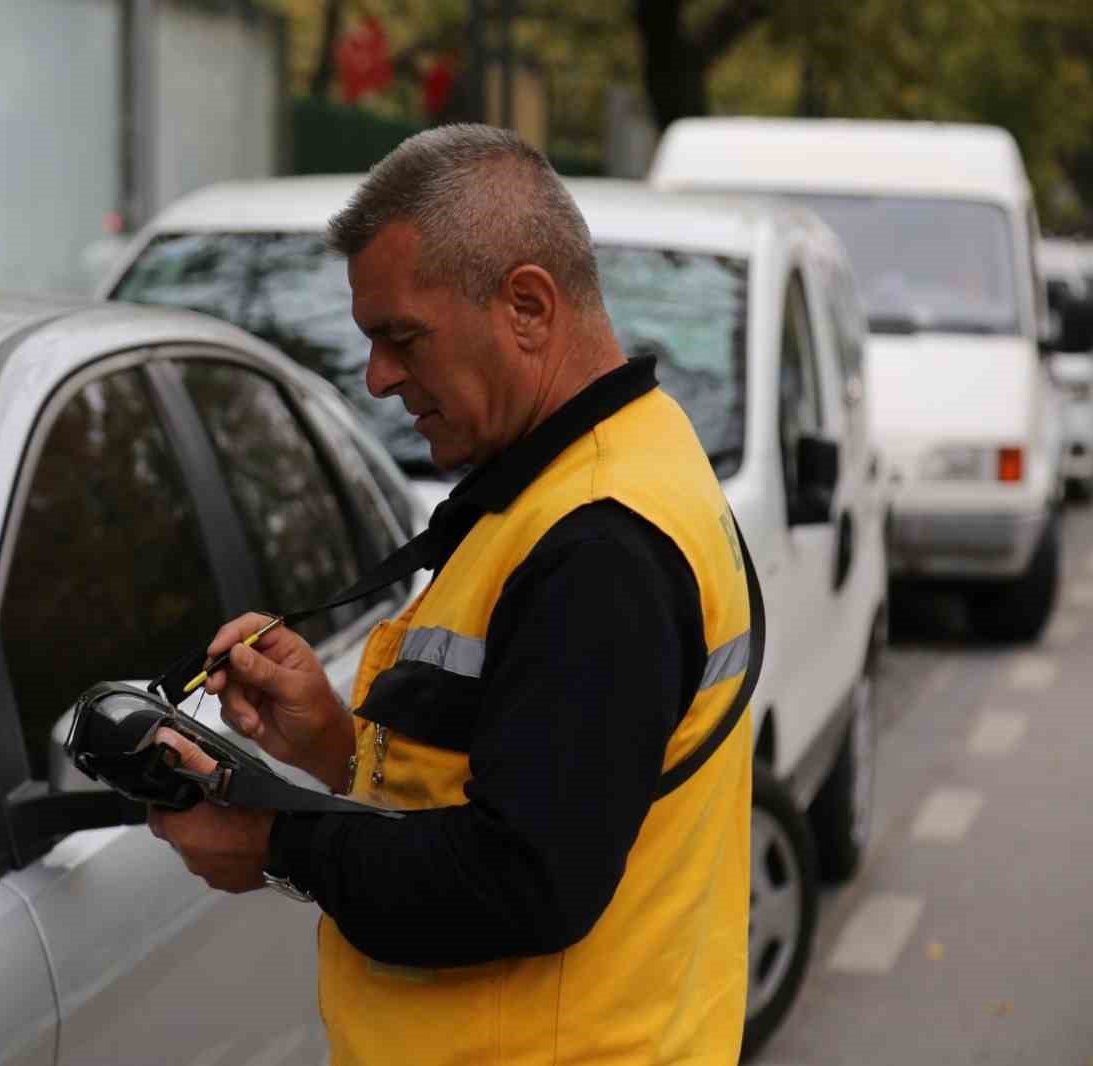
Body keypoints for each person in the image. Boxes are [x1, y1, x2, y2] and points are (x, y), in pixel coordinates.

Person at [148, 124, 756, 1066]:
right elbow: (521, 779)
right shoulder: (620, 459)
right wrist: (332, 744)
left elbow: (523, 879)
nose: (377, 377)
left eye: (402, 338)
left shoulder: (601, 547)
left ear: (528, 306)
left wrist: (273, 843)